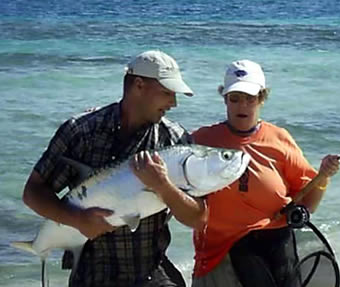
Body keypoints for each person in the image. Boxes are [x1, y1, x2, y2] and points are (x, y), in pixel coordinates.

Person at [22, 50, 207, 287]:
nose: (173, 103)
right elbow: (33, 192)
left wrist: (163, 185)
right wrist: (77, 219)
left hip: (151, 270)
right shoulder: (81, 131)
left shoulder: (175, 140)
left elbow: (199, 218)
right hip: (92, 274)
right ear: (138, 85)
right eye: (166, 93)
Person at [191, 59, 340, 287]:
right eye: (235, 98)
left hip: (276, 249)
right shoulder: (202, 140)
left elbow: (308, 196)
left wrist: (324, 175)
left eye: (250, 98)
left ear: (262, 98)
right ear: (225, 99)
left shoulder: (279, 139)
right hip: (219, 256)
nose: (242, 106)